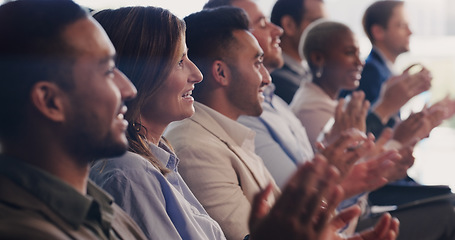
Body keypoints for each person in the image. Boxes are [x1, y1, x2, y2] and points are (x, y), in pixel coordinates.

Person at [0, 1, 148, 239]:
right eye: (108, 71)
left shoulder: (102, 209)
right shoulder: (25, 231)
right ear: (50, 102)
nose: (129, 89)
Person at [88, 7, 228, 240]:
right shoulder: (128, 173)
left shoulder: (155, 157)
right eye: (179, 61)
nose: (197, 74)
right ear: (134, 75)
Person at [270, 0, 326, 104]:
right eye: (318, 23)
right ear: (289, 25)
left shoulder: (309, 70)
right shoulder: (278, 79)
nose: (327, 33)